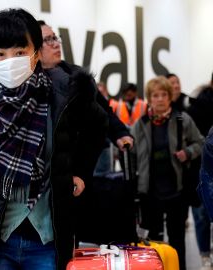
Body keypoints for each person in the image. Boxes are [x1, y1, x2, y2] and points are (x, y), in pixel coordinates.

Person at [0, 9, 108, 269]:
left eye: (20, 52)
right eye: (0, 54)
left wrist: (80, 171)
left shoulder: (63, 96)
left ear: (35, 54)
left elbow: (100, 125)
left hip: (48, 241)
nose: (10, 60)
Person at [38, 21, 132, 179]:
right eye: (48, 40)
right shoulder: (25, 84)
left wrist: (119, 133)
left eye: (55, 38)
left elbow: (102, 108)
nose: (55, 44)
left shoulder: (77, 76)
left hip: (76, 170)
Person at [130, 76, 204, 270]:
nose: (160, 99)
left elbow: (201, 143)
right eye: (155, 95)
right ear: (149, 98)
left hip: (177, 191)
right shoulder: (140, 124)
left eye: (164, 94)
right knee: (153, 241)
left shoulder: (182, 119)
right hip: (150, 192)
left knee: (177, 239)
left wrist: (187, 153)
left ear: (170, 97)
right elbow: (131, 153)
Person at [186, 85, 213, 268]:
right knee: (202, 215)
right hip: (200, 170)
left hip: (201, 171)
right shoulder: (196, 107)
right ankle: (204, 254)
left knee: (202, 216)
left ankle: (205, 254)